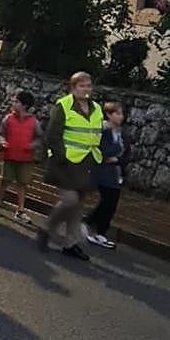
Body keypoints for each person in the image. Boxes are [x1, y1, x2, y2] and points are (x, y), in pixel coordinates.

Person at [36, 71, 102, 262]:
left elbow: (95, 133)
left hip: (87, 161)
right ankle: (47, 228)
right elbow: (53, 135)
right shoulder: (63, 105)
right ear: (73, 88)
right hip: (65, 162)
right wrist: (62, 156)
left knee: (79, 204)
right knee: (70, 200)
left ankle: (70, 243)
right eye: (82, 85)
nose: (86, 89)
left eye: (88, 85)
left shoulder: (96, 108)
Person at [83, 101, 130, 250]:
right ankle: (96, 228)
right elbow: (99, 151)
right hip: (102, 171)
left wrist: (118, 159)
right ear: (109, 115)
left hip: (116, 172)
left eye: (121, 114)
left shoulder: (122, 133)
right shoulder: (102, 130)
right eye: (117, 113)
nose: (120, 117)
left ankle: (91, 225)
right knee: (108, 200)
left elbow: (127, 154)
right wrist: (113, 154)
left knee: (110, 202)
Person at [0, 90, 41, 224]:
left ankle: (20, 210)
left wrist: (32, 145)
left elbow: (39, 138)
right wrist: (2, 141)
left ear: (24, 105)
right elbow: (1, 133)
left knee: (22, 184)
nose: (13, 103)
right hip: (9, 156)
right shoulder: (8, 118)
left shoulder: (33, 122)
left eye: (16, 101)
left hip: (25, 159)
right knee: (4, 181)